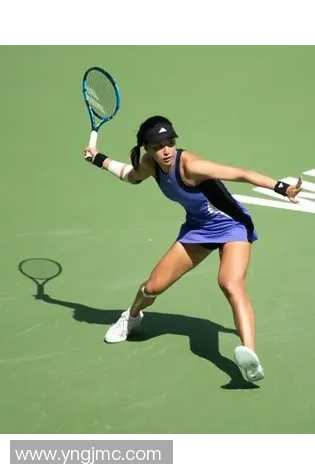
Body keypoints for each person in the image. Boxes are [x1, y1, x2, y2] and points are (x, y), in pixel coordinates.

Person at [83, 115, 302, 383]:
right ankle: (131, 317)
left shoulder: (192, 166)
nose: (166, 150)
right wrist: (99, 159)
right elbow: (132, 176)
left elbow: (241, 174)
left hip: (232, 225)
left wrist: (283, 188)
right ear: (147, 148)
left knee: (230, 284)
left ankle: (250, 355)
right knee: (152, 288)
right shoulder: (150, 163)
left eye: (170, 143)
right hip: (198, 229)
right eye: (158, 146)